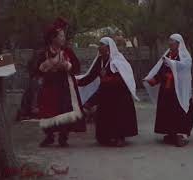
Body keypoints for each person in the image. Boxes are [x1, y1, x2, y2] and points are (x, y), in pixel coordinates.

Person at [77, 37, 139, 147]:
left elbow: (124, 77)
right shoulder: (100, 61)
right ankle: (107, 136)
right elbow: (91, 76)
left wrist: (109, 80)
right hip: (106, 93)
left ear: (108, 47)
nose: (99, 47)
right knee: (104, 118)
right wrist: (77, 82)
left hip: (119, 95)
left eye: (102, 45)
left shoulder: (117, 60)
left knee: (118, 115)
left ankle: (120, 137)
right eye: (99, 45)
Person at [35, 18, 85, 147]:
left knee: (64, 109)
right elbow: (34, 69)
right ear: (53, 38)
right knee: (49, 110)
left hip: (64, 86)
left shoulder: (67, 51)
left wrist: (67, 66)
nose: (63, 38)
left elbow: (76, 67)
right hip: (49, 86)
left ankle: (63, 136)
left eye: (63, 35)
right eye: (61, 36)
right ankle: (49, 136)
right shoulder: (44, 52)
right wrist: (45, 66)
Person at [143, 34, 193, 147]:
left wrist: (173, 64)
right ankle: (171, 133)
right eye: (169, 41)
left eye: (173, 41)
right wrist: (153, 80)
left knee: (180, 111)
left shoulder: (185, 56)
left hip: (179, 90)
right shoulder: (167, 55)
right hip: (167, 89)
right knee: (167, 111)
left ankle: (182, 134)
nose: (170, 43)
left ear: (179, 44)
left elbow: (185, 68)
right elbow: (161, 70)